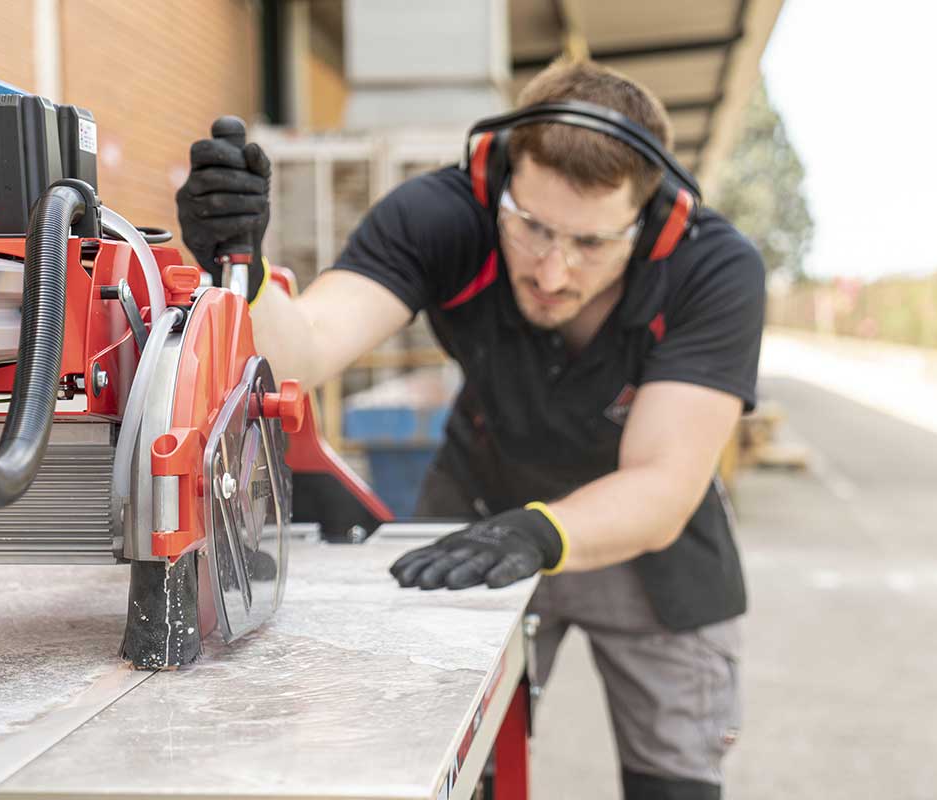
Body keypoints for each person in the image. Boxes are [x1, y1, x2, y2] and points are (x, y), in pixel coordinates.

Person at [177, 59, 764, 800]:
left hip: (649, 546)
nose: (552, 272)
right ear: (500, 181)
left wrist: (539, 534)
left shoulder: (713, 267)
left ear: (652, 220)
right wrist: (244, 268)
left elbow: (663, 481)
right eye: (532, 228)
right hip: (480, 511)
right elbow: (308, 348)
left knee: (674, 784)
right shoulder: (443, 214)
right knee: (452, 758)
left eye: (590, 245)